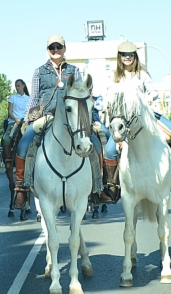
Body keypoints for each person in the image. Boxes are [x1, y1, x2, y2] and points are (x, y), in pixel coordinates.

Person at [12, 34, 106, 208]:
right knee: (24, 144)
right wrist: (28, 119)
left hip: (72, 118)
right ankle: (21, 188)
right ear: (47, 50)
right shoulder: (39, 71)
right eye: (52, 47)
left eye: (58, 47)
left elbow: (84, 97)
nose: (55, 50)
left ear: (64, 49)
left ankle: (98, 187)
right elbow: (33, 98)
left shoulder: (74, 70)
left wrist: (92, 120)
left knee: (95, 143)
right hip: (47, 116)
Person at [108, 41, 171, 190]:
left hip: (147, 115)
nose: (127, 57)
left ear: (135, 56)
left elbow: (153, 91)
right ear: (119, 57)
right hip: (123, 119)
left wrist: (150, 98)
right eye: (124, 54)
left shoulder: (142, 74)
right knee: (109, 150)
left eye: (130, 54)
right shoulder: (115, 77)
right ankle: (112, 185)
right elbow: (110, 96)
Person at [1, 79, 30, 169]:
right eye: (16, 86)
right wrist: (16, 119)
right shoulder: (12, 97)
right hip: (14, 122)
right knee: (6, 139)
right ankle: (8, 159)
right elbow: (10, 111)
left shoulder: (29, 98)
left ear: (23, 86)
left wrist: (27, 120)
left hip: (26, 122)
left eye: (18, 86)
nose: (17, 88)